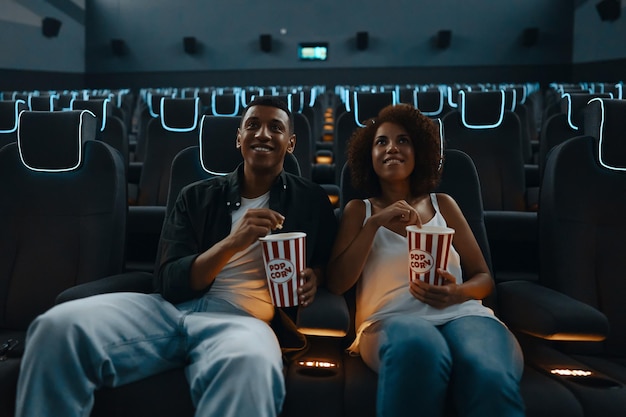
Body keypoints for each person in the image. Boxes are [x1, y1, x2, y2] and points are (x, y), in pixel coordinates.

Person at [15, 96, 338, 417]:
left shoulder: (310, 201)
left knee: (250, 365)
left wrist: (315, 278)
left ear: (291, 142)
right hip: (167, 309)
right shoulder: (196, 195)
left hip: (242, 319)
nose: (262, 134)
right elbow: (169, 281)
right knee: (56, 328)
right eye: (252, 125)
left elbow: (325, 264)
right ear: (239, 137)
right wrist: (232, 243)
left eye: (275, 128)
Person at [327, 103, 525, 417]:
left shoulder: (444, 204)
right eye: (382, 142)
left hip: (463, 314)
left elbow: (483, 278)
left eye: (403, 140)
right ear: (370, 155)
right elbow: (337, 283)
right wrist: (374, 224)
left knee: (485, 368)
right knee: (421, 351)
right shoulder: (358, 211)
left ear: (419, 151)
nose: (392, 147)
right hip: (390, 320)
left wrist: (457, 292)